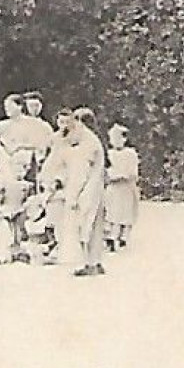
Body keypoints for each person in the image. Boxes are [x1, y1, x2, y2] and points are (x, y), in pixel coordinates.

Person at [59, 108, 109, 277]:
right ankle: (95, 261)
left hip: (89, 188)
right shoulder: (93, 141)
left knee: (86, 224)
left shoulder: (88, 143)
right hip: (95, 186)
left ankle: (89, 262)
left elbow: (82, 172)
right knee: (94, 224)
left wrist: (74, 194)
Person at [104, 124, 140, 250]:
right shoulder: (109, 154)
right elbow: (106, 171)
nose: (115, 141)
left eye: (118, 137)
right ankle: (111, 237)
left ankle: (123, 236)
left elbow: (133, 173)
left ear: (124, 139)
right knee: (111, 212)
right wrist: (110, 177)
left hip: (126, 187)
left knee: (125, 212)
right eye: (112, 138)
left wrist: (124, 176)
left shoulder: (130, 154)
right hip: (113, 187)